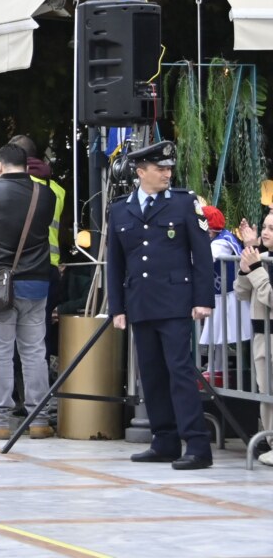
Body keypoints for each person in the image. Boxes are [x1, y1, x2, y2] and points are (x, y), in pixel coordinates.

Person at [107, 140, 214, 470]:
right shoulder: (121, 209)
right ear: (141, 172)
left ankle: (197, 445)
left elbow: (202, 255)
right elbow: (115, 262)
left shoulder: (183, 203)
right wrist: (117, 307)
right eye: (160, 169)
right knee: (151, 375)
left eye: (169, 168)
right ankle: (164, 440)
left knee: (180, 373)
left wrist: (203, 299)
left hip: (175, 302)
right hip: (140, 302)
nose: (167, 174)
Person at [0, 143, 58, 440]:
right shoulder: (45, 194)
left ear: (0, 165)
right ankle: (39, 420)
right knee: (35, 352)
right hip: (37, 283)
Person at [235, 211, 273, 466]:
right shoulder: (263, 258)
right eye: (265, 227)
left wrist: (257, 268)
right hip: (261, 334)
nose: (265, 232)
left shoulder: (264, 263)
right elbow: (241, 292)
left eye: (272, 228)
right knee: (265, 390)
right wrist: (246, 263)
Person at [199, 206, 249, 384]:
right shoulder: (220, 238)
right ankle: (216, 368)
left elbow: (206, 258)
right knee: (218, 333)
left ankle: (218, 369)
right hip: (221, 294)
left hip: (229, 295)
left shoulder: (222, 242)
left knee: (222, 333)